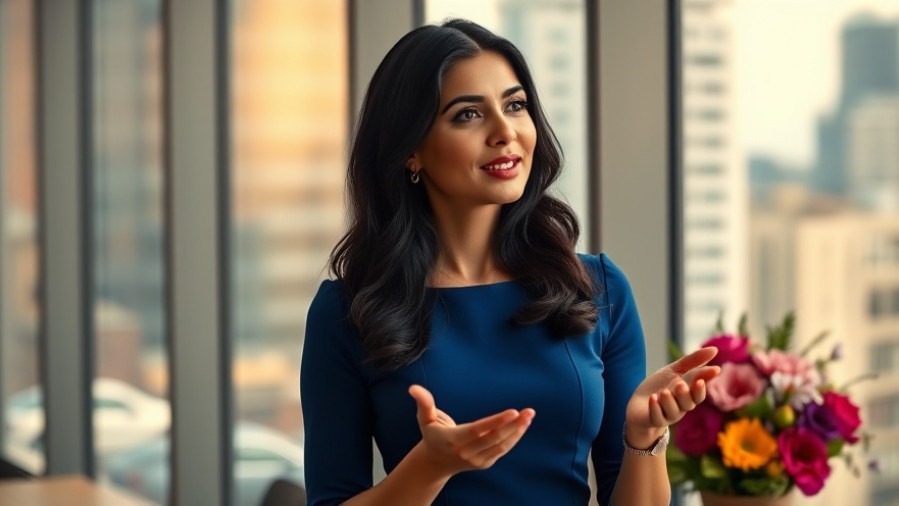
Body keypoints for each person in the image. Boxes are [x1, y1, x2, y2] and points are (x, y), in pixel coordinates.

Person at [300, 18, 719, 506]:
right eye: (467, 115)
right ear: (410, 150)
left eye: (515, 106)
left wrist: (644, 436)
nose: (505, 132)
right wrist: (429, 467)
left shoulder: (597, 289)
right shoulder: (347, 310)